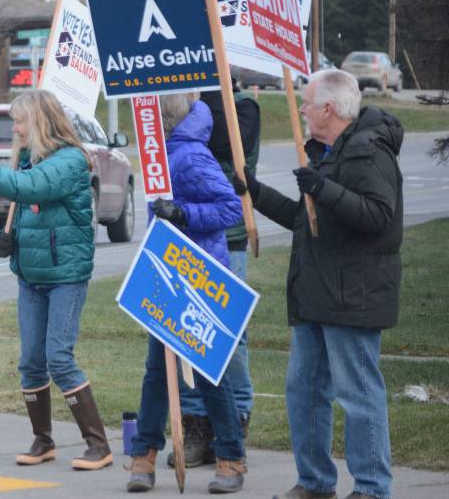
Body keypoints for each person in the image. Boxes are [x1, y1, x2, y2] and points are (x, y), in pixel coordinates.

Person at [237, 69, 402, 499]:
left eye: (306, 103)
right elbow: (303, 221)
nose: (302, 110)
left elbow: (380, 218)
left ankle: (372, 488)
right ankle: (314, 482)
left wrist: (324, 189)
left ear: (328, 108)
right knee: (304, 391)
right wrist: (252, 191)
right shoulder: (330, 153)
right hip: (316, 294)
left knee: (359, 395)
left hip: (353, 296)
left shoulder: (368, 151)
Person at [0, 89, 113, 471]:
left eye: (20, 121)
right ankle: (42, 440)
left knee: (59, 358)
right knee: (31, 363)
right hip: (32, 275)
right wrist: (12, 237)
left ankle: (98, 444)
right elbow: (28, 208)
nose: (15, 128)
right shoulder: (33, 160)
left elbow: (31, 188)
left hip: (65, 276)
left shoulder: (69, 161)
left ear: (40, 121)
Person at [126, 92, 247, 494]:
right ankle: (144, 454)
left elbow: (232, 209)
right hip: (164, 270)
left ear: (163, 118)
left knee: (211, 373)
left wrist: (184, 215)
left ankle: (231, 458)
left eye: (147, 115)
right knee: (157, 373)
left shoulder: (191, 156)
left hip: (197, 275)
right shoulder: (160, 156)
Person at [170, 81, 261, 469]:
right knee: (184, 335)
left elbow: (222, 140)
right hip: (182, 242)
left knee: (228, 338)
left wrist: (202, 91)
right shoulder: (189, 109)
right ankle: (197, 425)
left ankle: (235, 418)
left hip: (228, 241)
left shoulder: (242, 107)